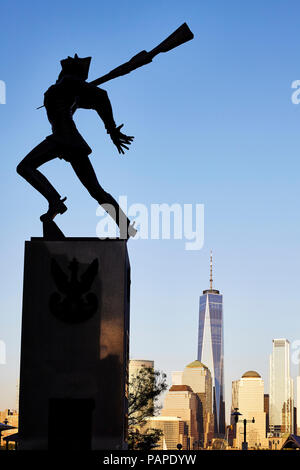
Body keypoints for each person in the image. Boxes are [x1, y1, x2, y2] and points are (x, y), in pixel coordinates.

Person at [17, 54, 136, 239]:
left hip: (63, 138)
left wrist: (111, 129)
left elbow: (101, 97)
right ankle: (125, 225)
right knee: (95, 190)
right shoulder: (70, 89)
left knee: (25, 167)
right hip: (68, 139)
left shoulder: (68, 82)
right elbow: (97, 99)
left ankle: (55, 201)